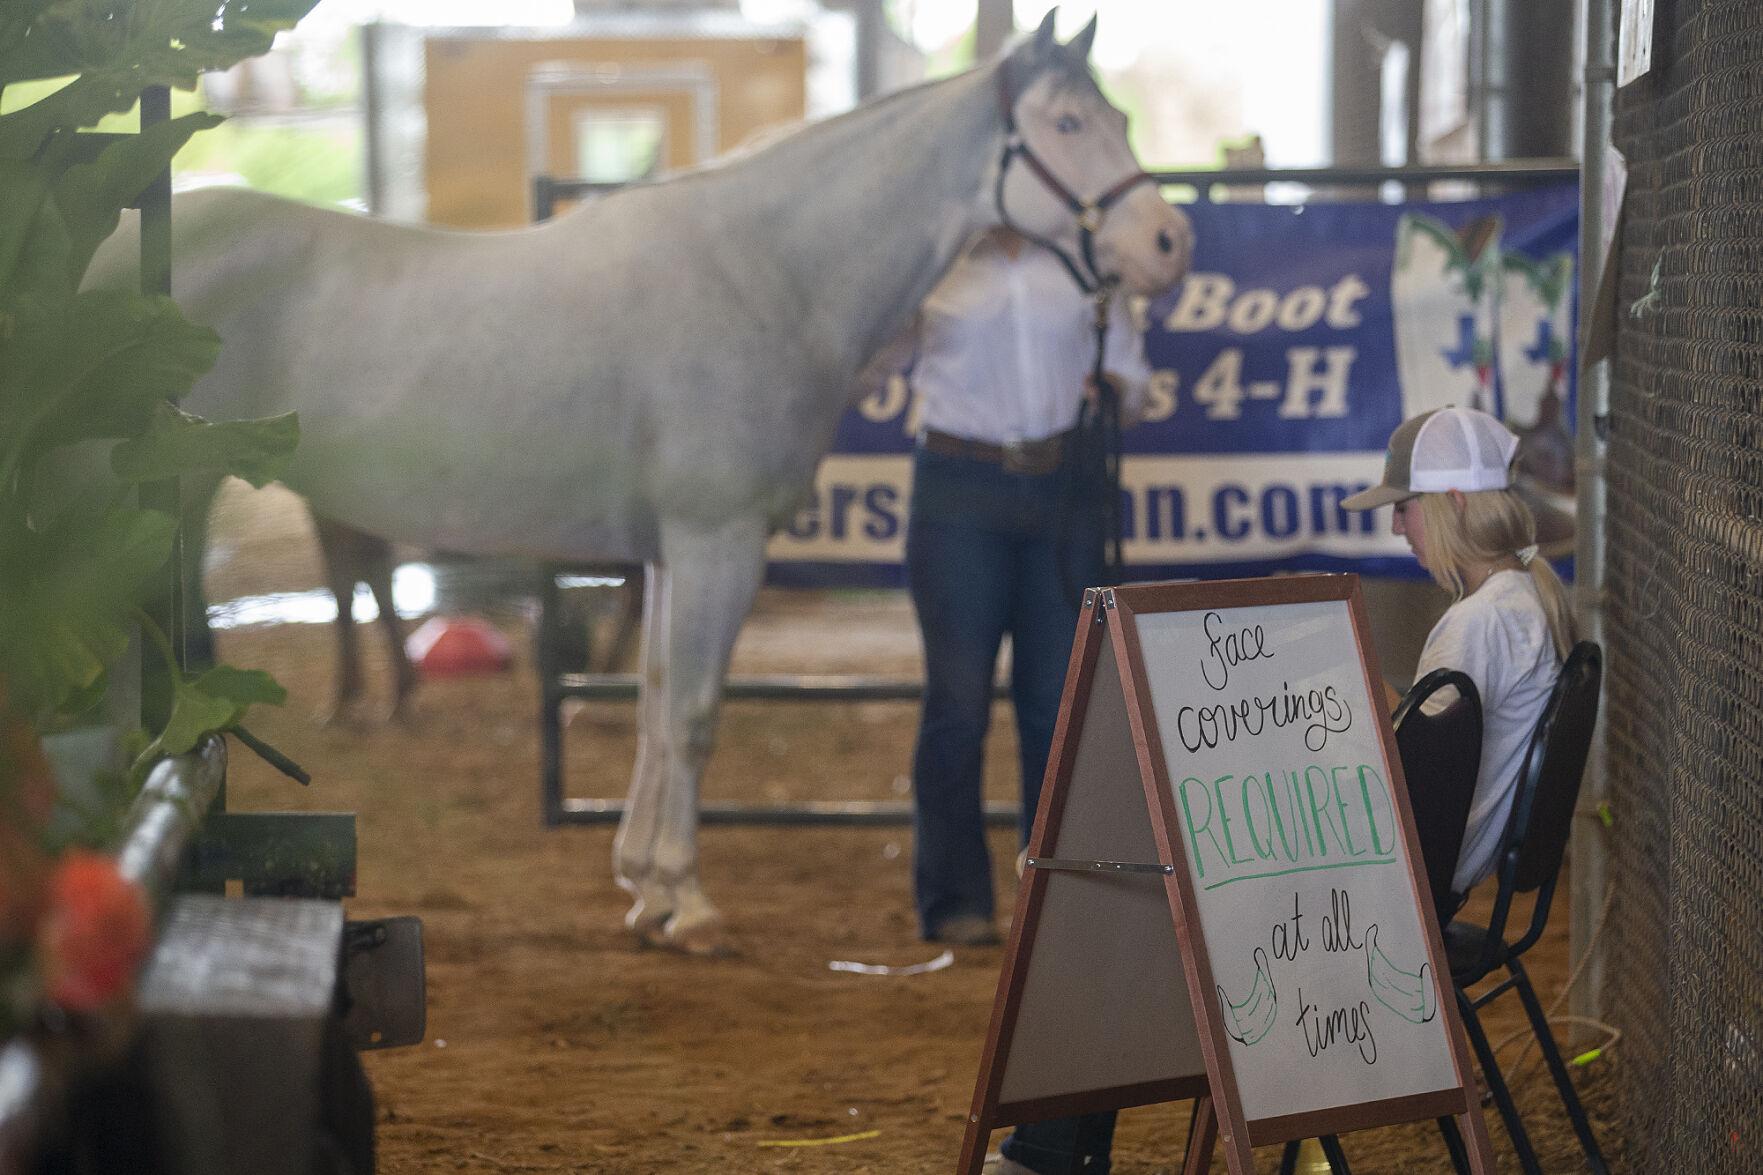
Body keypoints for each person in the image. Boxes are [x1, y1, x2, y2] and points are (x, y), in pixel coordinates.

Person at [901, 225, 1149, 1175]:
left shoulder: (1084, 262)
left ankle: (1051, 896)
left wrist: (1110, 389)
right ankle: (954, 897)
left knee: (1058, 704)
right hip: (954, 482)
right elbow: (873, 347)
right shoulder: (935, 260)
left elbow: (1130, 372)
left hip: (1062, 483)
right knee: (956, 700)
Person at [1342, 405, 1577, 904]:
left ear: (1452, 502)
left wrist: (1348, 676)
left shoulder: (1478, 621)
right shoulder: (1521, 594)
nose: (1397, 526)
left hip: (1428, 872)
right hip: (1457, 857)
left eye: (1404, 506)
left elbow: (1418, 769)